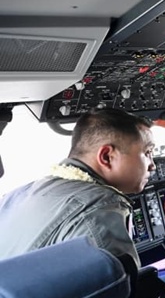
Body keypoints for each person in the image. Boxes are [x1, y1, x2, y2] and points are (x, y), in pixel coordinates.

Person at [0, 108, 155, 267]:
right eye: (148, 152)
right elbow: (120, 289)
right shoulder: (98, 209)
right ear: (107, 157)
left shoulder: (16, 195)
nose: (153, 166)